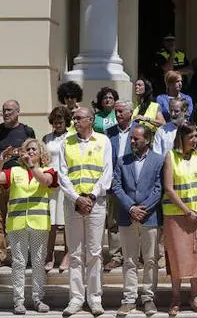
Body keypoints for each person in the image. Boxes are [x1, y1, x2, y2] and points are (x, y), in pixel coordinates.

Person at [59, 107, 112, 316]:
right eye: (74, 118)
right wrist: (77, 198)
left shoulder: (103, 141)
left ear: (90, 120)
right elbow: (63, 174)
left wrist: (90, 197)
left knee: (95, 252)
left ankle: (95, 298)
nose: (75, 120)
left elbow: (107, 172)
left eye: (79, 118)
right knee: (75, 253)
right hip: (73, 203)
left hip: (95, 203)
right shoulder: (67, 142)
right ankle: (76, 298)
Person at [111, 125, 164, 317]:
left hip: (150, 217)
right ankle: (129, 299)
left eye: (136, 139)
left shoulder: (158, 160)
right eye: (132, 139)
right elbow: (116, 185)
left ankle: (148, 298)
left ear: (147, 140)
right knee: (129, 260)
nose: (132, 142)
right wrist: (131, 207)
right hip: (127, 216)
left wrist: (144, 209)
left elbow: (159, 188)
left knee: (150, 259)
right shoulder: (122, 160)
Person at [0, 139, 57, 314]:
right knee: (19, 263)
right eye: (28, 150)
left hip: (39, 224)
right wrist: (1, 160)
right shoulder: (15, 171)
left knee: (39, 262)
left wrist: (32, 166)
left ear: (41, 153)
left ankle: (38, 299)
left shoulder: (49, 170)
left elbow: (46, 182)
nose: (31, 152)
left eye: (34, 149)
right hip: (17, 223)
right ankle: (18, 302)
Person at [162, 123, 197, 316]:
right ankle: (175, 297)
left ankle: (195, 296)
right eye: (191, 137)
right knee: (177, 256)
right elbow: (169, 187)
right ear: (181, 138)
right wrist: (186, 210)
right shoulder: (171, 156)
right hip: (176, 214)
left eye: (196, 136)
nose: (195, 140)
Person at [0, 100, 36, 266]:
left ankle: (22, 254)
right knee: (0, 219)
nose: (6, 113)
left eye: (9, 110)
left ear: (18, 112)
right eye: (4, 110)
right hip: (1, 179)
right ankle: (1, 255)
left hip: (20, 181)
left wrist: (20, 154)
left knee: (21, 220)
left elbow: (35, 153)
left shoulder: (27, 131)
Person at [104, 101, 137, 272]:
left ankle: (135, 255)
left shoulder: (139, 130)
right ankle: (116, 256)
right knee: (114, 220)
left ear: (131, 112)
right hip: (114, 181)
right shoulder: (109, 133)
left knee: (135, 219)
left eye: (121, 111)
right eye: (116, 112)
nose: (117, 115)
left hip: (134, 180)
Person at [42, 107, 72, 272]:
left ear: (66, 121)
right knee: (50, 222)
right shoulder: (46, 138)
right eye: (54, 122)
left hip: (66, 184)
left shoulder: (72, 138)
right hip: (50, 184)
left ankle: (68, 254)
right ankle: (49, 254)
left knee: (67, 221)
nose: (57, 124)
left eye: (60, 121)